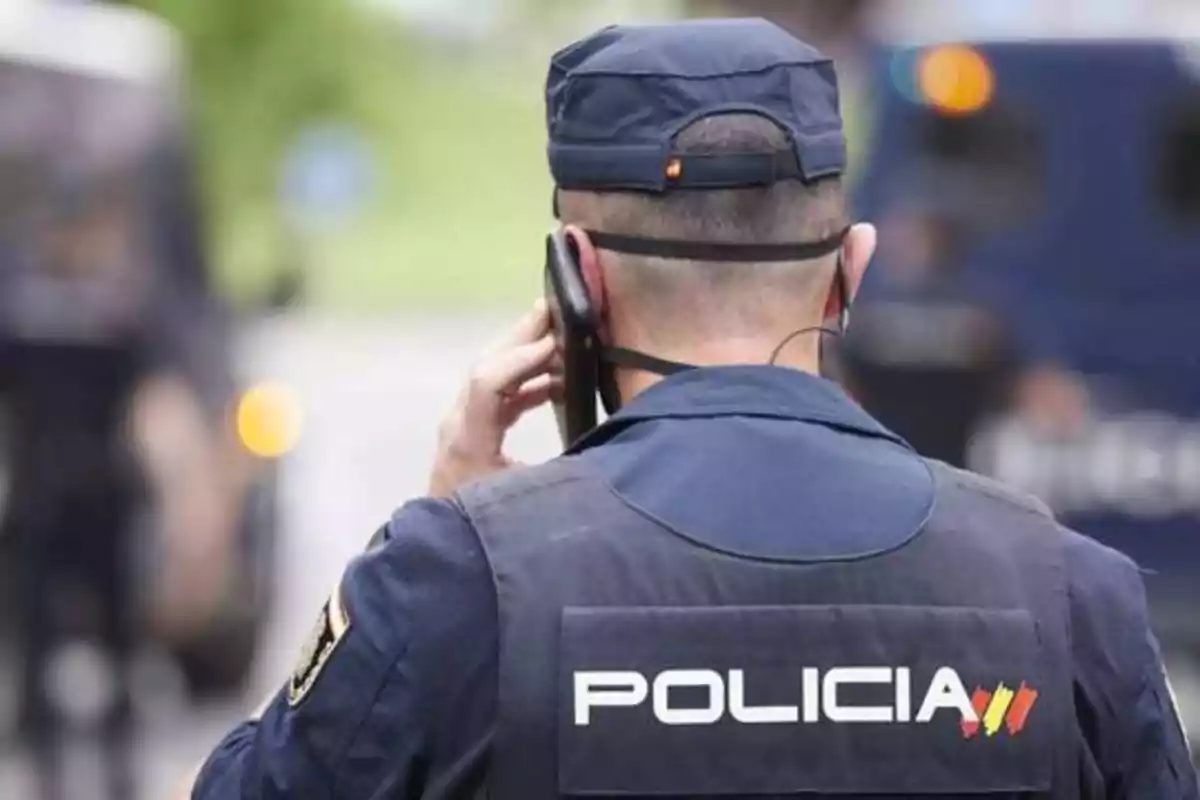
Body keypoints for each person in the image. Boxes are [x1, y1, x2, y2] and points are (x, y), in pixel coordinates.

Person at [180, 18, 1197, 799]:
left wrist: (446, 526)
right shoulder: (1073, 597)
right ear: (852, 270)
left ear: (575, 280)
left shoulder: (452, 587)